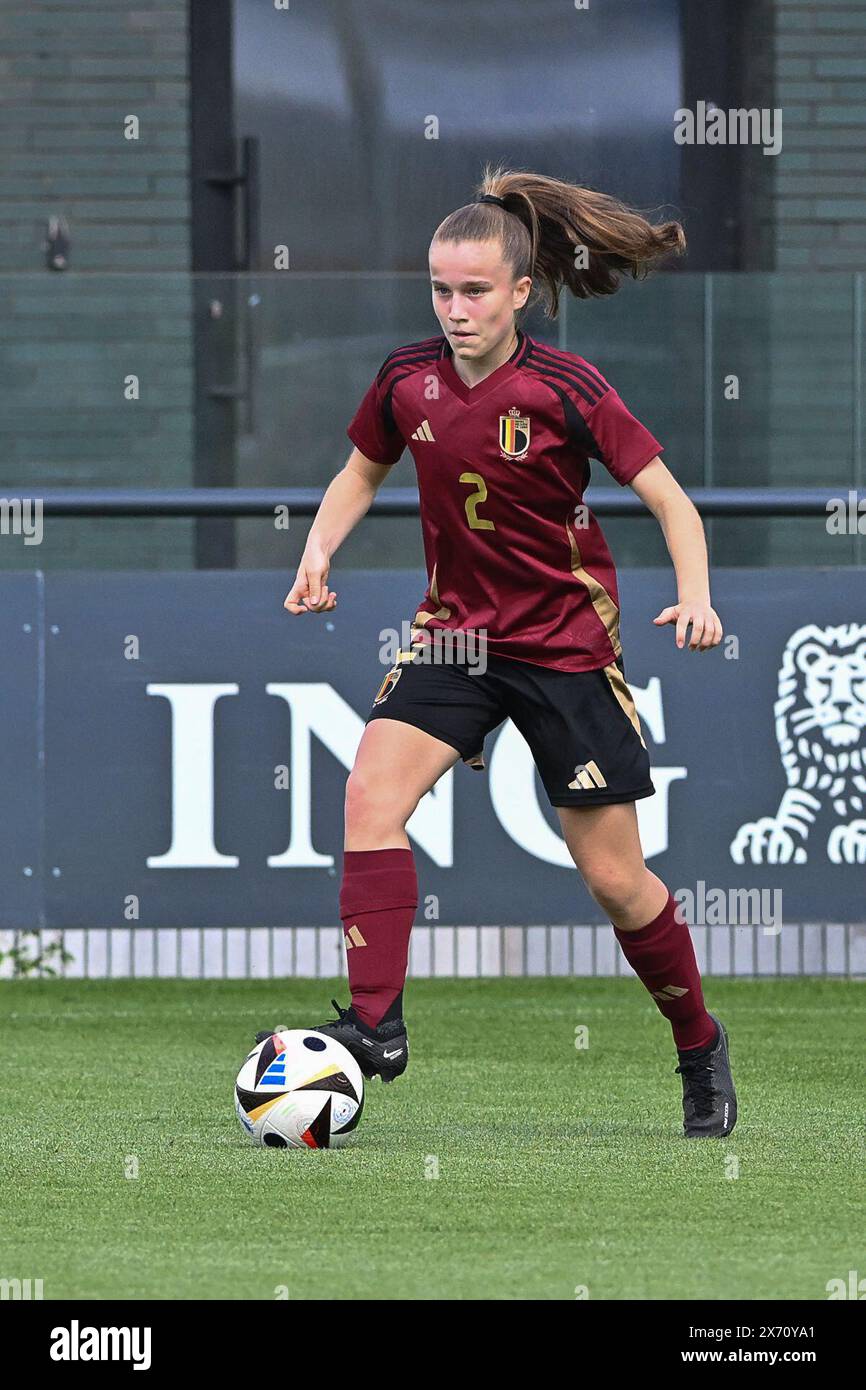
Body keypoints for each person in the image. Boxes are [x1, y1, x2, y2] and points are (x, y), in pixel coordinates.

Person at [258, 166, 737, 1139]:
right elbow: (360, 471)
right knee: (368, 795)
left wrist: (694, 594)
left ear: (520, 292)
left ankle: (696, 1043)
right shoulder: (406, 378)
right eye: (440, 289)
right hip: (457, 637)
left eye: (475, 290)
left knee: (611, 879)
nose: (455, 307)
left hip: (563, 645)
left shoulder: (567, 388)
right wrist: (315, 552)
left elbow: (668, 501)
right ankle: (377, 1024)